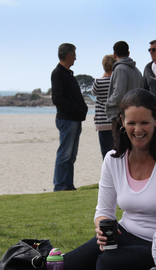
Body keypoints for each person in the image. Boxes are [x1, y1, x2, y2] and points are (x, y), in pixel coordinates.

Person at [62, 89, 156, 270]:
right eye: (131, 123)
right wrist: (102, 229)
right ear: (122, 121)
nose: (138, 130)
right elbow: (104, 211)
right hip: (124, 234)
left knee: (107, 265)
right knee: (67, 268)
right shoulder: (113, 159)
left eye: (144, 123)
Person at [51, 43, 88, 191]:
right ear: (69, 56)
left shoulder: (67, 73)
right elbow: (57, 98)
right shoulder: (58, 73)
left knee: (71, 155)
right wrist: (75, 110)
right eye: (74, 55)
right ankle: (60, 185)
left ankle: (68, 184)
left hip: (74, 119)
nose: (75, 58)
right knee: (64, 154)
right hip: (67, 119)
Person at [105, 41, 143, 137]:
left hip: (121, 114)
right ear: (128, 53)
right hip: (135, 113)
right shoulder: (137, 70)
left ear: (114, 54)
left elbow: (119, 93)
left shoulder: (120, 68)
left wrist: (108, 103)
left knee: (120, 144)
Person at [92, 54, 117, 159]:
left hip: (102, 121)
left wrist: (103, 76)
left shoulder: (98, 82)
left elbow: (93, 92)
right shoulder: (116, 82)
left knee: (105, 151)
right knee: (116, 149)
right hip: (114, 121)